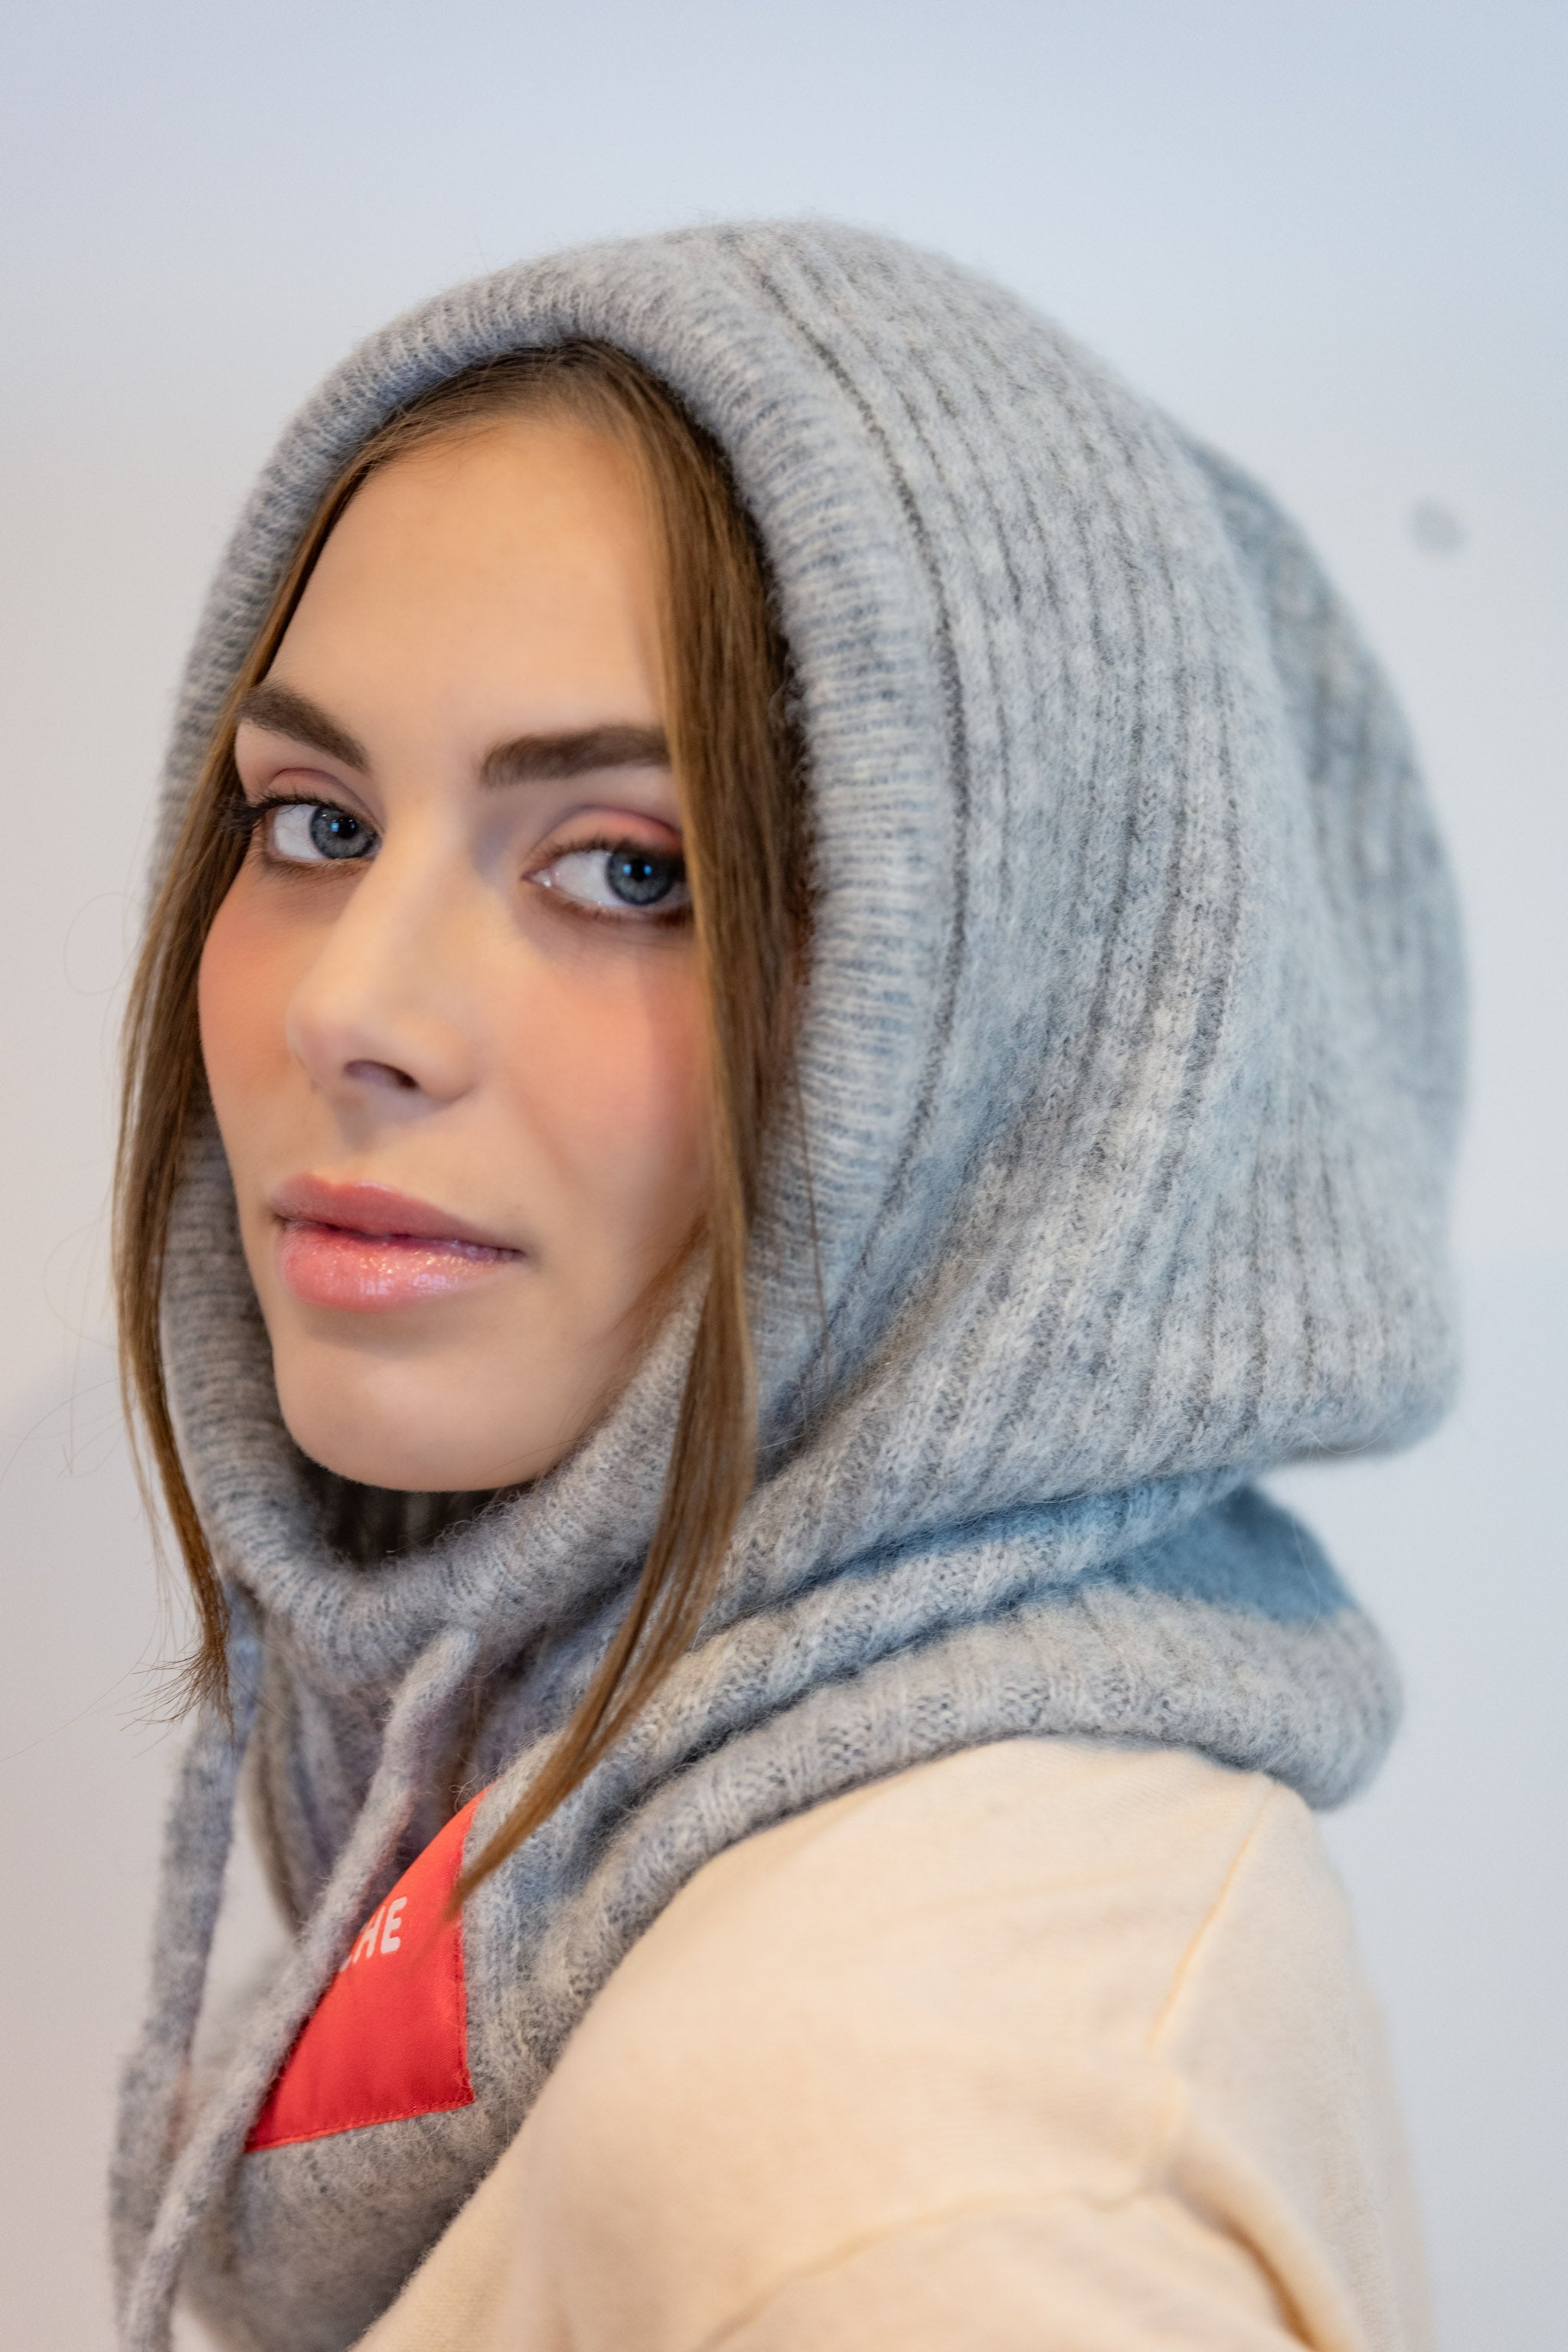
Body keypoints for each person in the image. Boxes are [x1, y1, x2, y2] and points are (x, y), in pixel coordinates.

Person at [109, 223, 1462, 2352]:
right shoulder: (655, 1835)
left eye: (630, 869)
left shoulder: (915, 2177)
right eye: (317, 824)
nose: (349, 1011)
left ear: (1024, 1034)